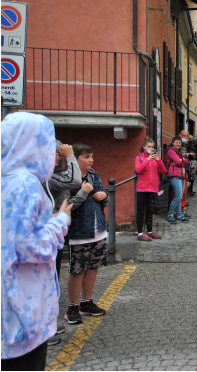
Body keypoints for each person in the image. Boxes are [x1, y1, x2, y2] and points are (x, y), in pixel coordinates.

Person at [1, 112, 73, 370]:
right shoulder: (25, 185)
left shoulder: (6, 180)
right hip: (23, 313)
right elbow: (30, 246)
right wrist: (60, 221)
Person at [65, 143, 109, 325]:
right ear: (75, 159)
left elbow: (102, 197)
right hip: (79, 231)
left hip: (97, 228)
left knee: (93, 267)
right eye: (86, 157)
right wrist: (85, 192)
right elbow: (67, 206)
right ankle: (72, 307)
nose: (91, 160)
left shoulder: (93, 175)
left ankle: (86, 302)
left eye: (91, 156)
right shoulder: (69, 179)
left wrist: (104, 196)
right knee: (77, 270)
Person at [45, 140, 82, 342]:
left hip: (57, 229)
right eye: (54, 153)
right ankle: (43, 327)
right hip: (49, 231)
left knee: (53, 276)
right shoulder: (45, 177)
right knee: (47, 278)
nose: (57, 157)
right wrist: (70, 156)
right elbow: (74, 180)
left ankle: (48, 323)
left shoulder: (51, 173)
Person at [135, 139, 167, 241]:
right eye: (148, 147)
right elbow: (138, 170)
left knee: (150, 211)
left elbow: (163, 170)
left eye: (152, 147)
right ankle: (140, 232)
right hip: (142, 188)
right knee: (140, 211)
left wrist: (158, 159)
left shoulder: (155, 159)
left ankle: (149, 231)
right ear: (144, 147)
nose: (150, 149)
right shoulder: (139, 158)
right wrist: (147, 159)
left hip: (153, 188)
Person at [164, 136, 190, 224]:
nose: (178, 144)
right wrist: (181, 161)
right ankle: (170, 214)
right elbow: (180, 162)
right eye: (176, 142)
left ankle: (179, 215)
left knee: (180, 196)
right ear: (172, 143)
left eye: (179, 142)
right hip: (174, 175)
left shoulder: (179, 152)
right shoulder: (170, 151)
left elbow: (187, 161)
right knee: (178, 196)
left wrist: (181, 160)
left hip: (181, 175)